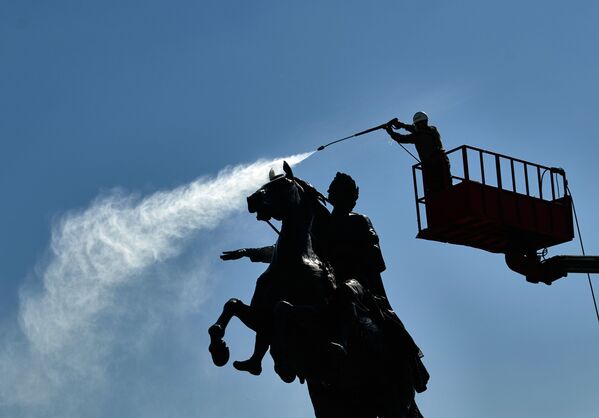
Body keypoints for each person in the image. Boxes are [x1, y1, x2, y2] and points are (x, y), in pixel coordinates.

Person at [385, 111, 452, 195]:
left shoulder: (418, 136)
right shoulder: (433, 129)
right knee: (447, 185)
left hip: (432, 166)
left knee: (435, 190)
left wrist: (390, 131)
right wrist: (402, 125)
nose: (418, 126)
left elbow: (401, 138)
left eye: (418, 124)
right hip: (442, 162)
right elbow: (416, 130)